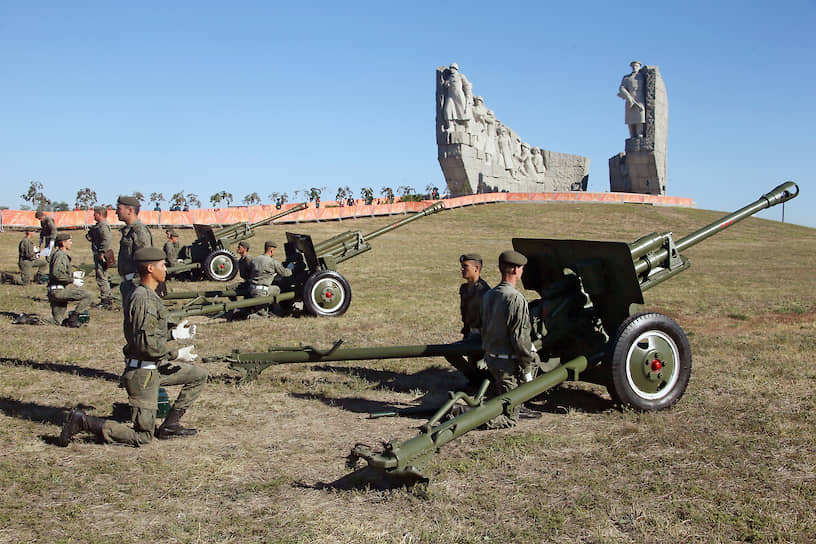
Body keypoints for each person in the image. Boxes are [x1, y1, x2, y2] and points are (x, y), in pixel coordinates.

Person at [58, 247, 207, 447]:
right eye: (162, 265)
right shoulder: (143, 298)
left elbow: (148, 334)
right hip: (142, 374)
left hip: (153, 368)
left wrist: (173, 334)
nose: (166, 269)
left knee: (198, 375)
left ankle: (171, 425)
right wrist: (175, 353)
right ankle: (84, 422)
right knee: (143, 436)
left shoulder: (148, 294)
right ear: (150, 268)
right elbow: (145, 345)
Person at [479, 250, 542, 428]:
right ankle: (462, 414)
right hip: (507, 366)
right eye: (521, 268)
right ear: (515, 270)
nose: (522, 272)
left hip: (492, 359)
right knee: (509, 420)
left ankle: (516, 403)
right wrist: (527, 369)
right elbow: (519, 339)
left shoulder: (489, 294)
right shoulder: (515, 298)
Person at [444, 253, 492, 386]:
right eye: (461, 266)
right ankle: (475, 381)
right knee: (451, 352)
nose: (462, 269)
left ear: (477, 268)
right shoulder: (464, 289)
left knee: (478, 365)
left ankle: (480, 382)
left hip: (482, 338)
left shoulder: (485, 292)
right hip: (470, 335)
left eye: (465, 266)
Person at [47, 233, 94, 327]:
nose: (71, 243)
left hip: (55, 290)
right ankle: (73, 318)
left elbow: (59, 272)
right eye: (70, 241)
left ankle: (27, 319)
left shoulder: (58, 254)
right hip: (58, 291)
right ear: (63, 243)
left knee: (57, 322)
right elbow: (56, 274)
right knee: (89, 295)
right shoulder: (60, 255)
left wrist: (73, 274)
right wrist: (72, 280)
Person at [116, 195, 153, 302]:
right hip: (129, 282)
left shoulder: (139, 230)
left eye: (119, 209)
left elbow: (145, 259)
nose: (116, 212)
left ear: (130, 210)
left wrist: (138, 283)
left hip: (136, 283)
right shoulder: (129, 230)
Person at [247, 240, 292, 317]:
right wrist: (291, 268)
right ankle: (275, 309)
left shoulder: (255, 259)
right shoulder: (272, 262)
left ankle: (271, 307)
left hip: (252, 289)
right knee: (277, 289)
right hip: (262, 292)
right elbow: (285, 273)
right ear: (271, 250)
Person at [86, 206, 113, 308]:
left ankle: (105, 299)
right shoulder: (99, 226)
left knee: (101, 276)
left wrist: (102, 252)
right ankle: (106, 298)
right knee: (101, 276)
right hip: (98, 253)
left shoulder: (103, 226)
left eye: (95, 214)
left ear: (100, 214)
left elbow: (106, 239)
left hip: (101, 255)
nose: (93, 216)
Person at [618, 60, 646, 138]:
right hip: (629, 100)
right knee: (630, 120)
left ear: (639, 67)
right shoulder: (627, 78)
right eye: (633, 66)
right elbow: (621, 88)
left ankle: (639, 133)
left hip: (640, 99)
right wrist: (629, 97)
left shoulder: (642, 77)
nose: (634, 67)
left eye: (636, 66)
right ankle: (632, 135)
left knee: (640, 117)